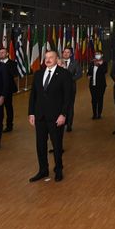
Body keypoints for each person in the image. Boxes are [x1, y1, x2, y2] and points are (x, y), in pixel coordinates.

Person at [28, 50, 73, 182]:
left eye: (51, 57)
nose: (48, 60)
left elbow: (67, 97)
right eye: (46, 58)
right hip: (40, 116)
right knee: (40, 145)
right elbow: (33, 96)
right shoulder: (38, 74)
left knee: (57, 145)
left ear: (57, 58)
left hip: (56, 117)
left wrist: (63, 114)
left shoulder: (64, 74)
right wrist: (31, 113)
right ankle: (43, 170)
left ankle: (58, 169)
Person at [60, 47, 81, 132]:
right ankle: (61, 122)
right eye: (64, 52)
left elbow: (79, 74)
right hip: (59, 89)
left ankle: (69, 124)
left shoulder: (75, 63)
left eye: (68, 52)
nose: (65, 54)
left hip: (71, 88)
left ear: (71, 54)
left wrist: (70, 79)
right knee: (60, 106)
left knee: (70, 106)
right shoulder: (58, 62)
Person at [0, 47, 16, 132]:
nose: (1, 54)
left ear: (7, 54)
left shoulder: (12, 63)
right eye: (0, 52)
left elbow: (13, 74)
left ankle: (9, 125)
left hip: (8, 89)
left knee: (8, 108)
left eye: (3, 52)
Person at [87, 51, 108, 119]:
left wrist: (100, 64)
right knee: (93, 100)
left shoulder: (104, 63)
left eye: (98, 54)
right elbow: (89, 72)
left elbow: (105, 71)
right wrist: (88, 75)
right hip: (92, 85)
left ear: (102, 55)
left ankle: (99, 114)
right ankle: (94, 114)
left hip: (101, 85)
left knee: (100, 99)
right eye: (96, 54)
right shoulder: (92, 62)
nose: (97, 55)